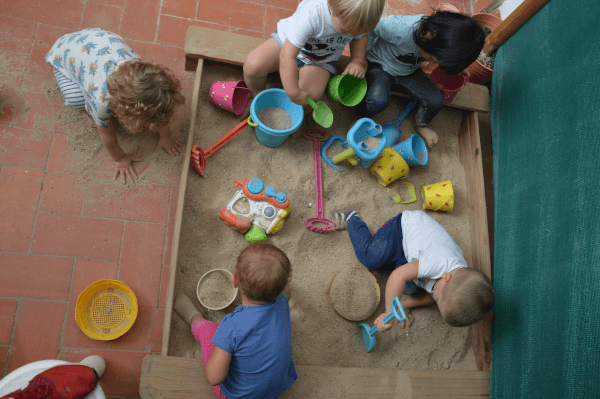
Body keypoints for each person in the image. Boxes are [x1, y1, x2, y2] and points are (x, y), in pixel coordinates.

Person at [45, 28, 185, 184]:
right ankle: (88, 112)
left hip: (98, 42)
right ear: (124, 110)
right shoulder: (101, 102)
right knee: (77, 100)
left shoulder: (141, 72)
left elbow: (159, 107)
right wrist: (120, 159)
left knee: (153, 104)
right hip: (63, 59)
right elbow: (106, 135)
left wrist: (166, 135)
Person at [332, 210, 495, 329]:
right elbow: (397, 276)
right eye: (438, 299)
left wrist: (404, 304)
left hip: (416, 255)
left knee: (416, 289)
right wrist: (389, 313)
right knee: (370, 257)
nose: (434, 298)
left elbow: (431, 296)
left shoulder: (455, 280)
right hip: (401, 231)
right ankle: (352, 219)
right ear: (446, 277)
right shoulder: (439, 261)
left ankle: (406, 281)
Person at [173, 242, 296, 399]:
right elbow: (286, 291)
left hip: (238, 396)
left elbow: (213, 377)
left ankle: (194, 319)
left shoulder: (232, 325)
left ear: (235, 280)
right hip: (276, 389)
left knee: (208, 330)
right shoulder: (282, 300)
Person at [355, 11, 485, 146]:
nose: (434, 64)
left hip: (409, 71)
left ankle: (421, 125)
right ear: (429, 36)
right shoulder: (401, 28)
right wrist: (360, 59)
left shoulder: (441, 40)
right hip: (381, 65)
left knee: (435, 100)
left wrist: (456, 66)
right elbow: (369, 29)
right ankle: (362, 118)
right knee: (378, 100)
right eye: (434, 59)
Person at [242, 0, 386, 117]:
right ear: (330, 4)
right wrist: (293, 91)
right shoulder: (312, 13)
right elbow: (287, 56)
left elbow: (360, 38)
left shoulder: (359, 22)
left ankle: (296, 117)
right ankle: (256, 98)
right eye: (345, 30)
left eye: (355, 32)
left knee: (311, 97)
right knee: (252, 66)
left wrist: (357, 60)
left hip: (322, 59)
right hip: (288, 44)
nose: (350, 34)